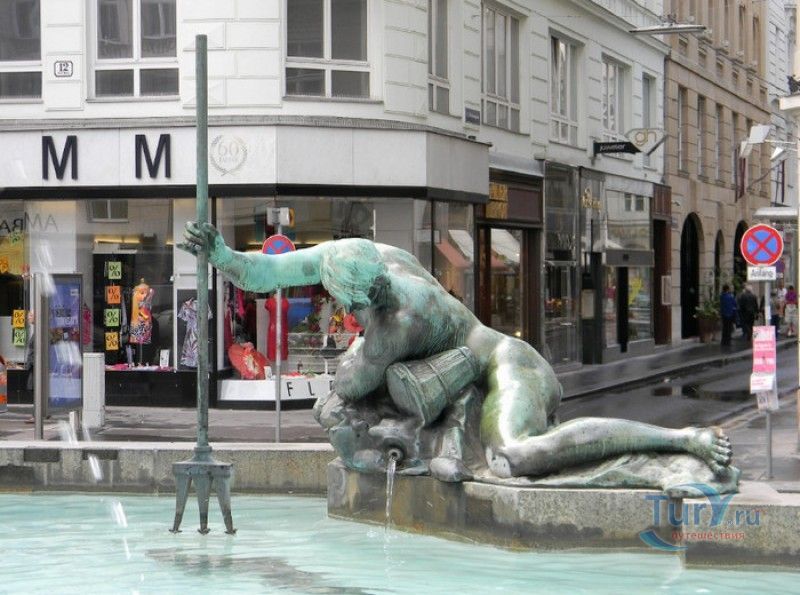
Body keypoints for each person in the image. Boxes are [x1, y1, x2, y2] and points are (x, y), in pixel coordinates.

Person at [179, 221, 733, 482]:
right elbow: (266, 270)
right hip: (461, 366)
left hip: (506, 364)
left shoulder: (397, 322)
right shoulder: (365, 251)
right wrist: (221, 254)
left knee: (517, 454)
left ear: (364, 296)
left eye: (356, 306)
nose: (354, 311)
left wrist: (357, 360)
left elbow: (349, 386)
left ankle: (683, 440)